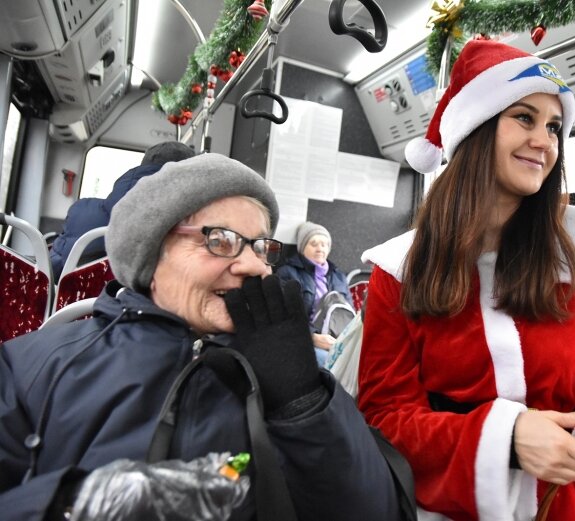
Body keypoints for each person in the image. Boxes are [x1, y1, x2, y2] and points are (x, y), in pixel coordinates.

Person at [357, 38, 575, 520]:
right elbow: (385, 417)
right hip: (456, 504)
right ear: (477, 129)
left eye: (555, 126)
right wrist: (506, 439)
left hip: (572, 501)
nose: (545, 142)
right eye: (524, 118)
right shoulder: (400, 271)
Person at [0, 154, 401, 521]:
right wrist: (67, 503)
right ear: (153, 254)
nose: (253, 267)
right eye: (221, 240)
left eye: (261, 248)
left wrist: (304, 404)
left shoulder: (294, 370)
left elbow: (377, 511)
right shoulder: (35, 369)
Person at [49, 141, 195, 280]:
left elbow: (55, 265)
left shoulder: (80, 210)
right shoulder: (187, 223)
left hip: (71, 303)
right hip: (133, 305)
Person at [275, 222, 352, 365]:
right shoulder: (288, 273)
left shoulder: (338, 276)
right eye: (314, 244)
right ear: (302, 247)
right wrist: (312, 337)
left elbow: (350, 312)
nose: (320, 248)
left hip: (338, 339)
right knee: (328, 362)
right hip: (305, 339)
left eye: (324, 244)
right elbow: (284, 315)